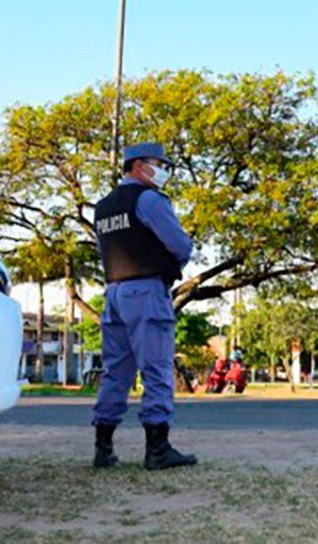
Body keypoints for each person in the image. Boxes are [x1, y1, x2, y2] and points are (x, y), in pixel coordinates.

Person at [90, 142, 198, 471]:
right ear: (138, 165)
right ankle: (157, 448)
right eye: (159, 163)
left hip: (114, 294)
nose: (164, 170)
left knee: (116, 372)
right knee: (157, 369)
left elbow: (103, 250)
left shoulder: (103, 207)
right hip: (147, 291)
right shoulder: (149, 199)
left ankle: (103, 447)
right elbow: (181, 245)